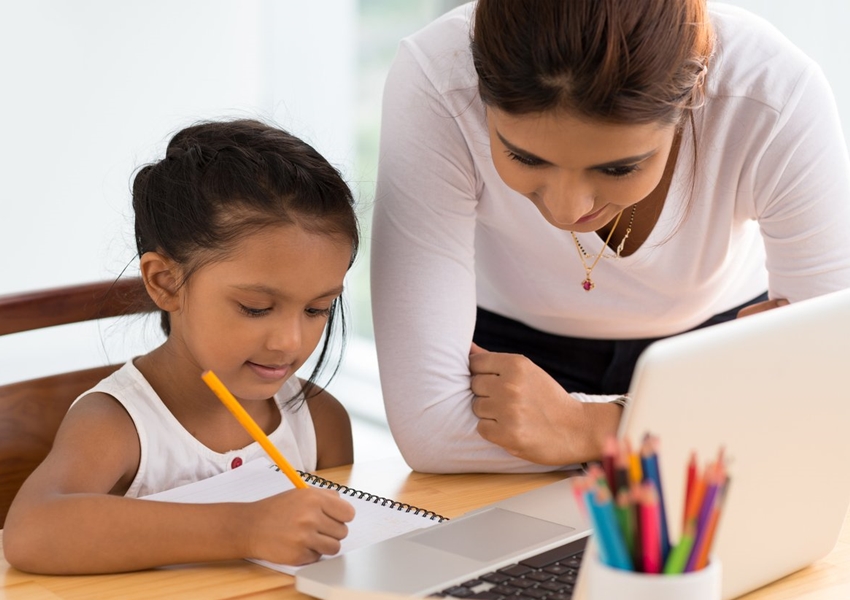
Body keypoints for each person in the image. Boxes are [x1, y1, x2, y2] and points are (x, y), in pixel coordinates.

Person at [371, 0, 850, 474]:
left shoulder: (772, 96)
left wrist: (591, 428)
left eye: (619, 167)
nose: (567, 210)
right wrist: (721, 421)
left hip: (715, 351)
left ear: (692, 97)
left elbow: (831, 404)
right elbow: (430, 429)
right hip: (512, 380)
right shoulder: (440, 80)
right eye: (526, 157)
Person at [4, 119, 361, 573]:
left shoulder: (321, 422)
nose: (291, 342)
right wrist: (244, 528)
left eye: (317, 309)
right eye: (255, 307)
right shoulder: (118, 423)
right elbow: (32, 532)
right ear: (166, 282)